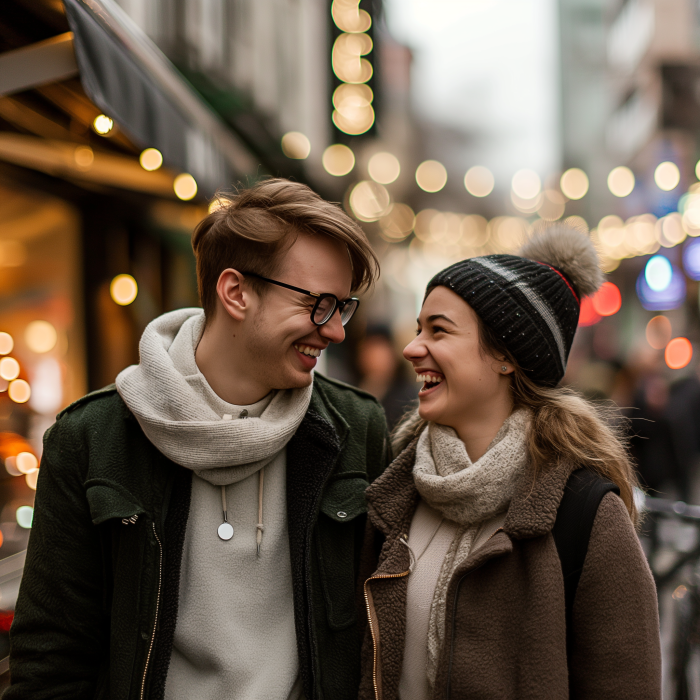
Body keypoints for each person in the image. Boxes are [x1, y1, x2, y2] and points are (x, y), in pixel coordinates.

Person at [6, 179, 390, 700]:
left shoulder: (355, 429)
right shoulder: (91, 439)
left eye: (341, 306)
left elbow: (381, 632)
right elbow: (51, 659)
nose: (336, 331)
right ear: (235, 292)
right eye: (318, 303)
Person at [358, 226, 661, 699]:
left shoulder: (585, 513)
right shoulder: (396, 491)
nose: (412, 348)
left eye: (438, 329)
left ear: (505, 356)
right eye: (419, 329)